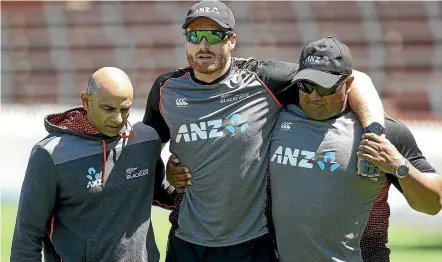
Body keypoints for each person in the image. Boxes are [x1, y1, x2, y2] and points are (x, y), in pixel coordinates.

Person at [143, 1, 385, 261]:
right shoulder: (166, 88)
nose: (203, 45)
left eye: (214, 36)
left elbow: (353, 78)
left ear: (231, 40)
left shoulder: (264, 79)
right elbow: (143, 152)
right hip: (186, 242)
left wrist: (373, 131)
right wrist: (166, 187)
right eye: (194, 35)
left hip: (252, 244)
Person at [268, 36, 442, 262]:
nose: (314, 96)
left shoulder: (384, 133)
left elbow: (433, 204)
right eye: (306, 85)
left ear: (348, 84)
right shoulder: (274, 118)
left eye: (324, 87)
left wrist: (399, 166)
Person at [11, 67, 177, 262]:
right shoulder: (49, 155)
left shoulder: (146, 140)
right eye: (108, 108)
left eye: (124, 109)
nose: (117, 119)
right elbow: (27, 237)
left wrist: (180, 185)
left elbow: (160, 194)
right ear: (86, 101)